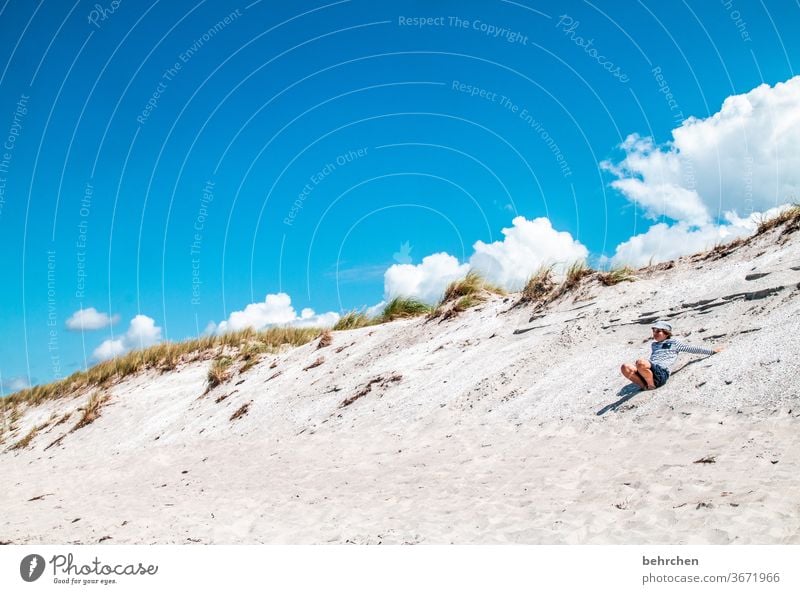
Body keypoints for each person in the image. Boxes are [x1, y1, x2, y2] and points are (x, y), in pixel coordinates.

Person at [620, 321, 723, 390]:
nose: (655, 333)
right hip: (651, 371)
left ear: (666, 333)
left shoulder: (674, 343)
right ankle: (644, 386)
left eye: (658, 331)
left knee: (641, 362)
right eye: (654, 331)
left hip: (661, 372)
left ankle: (651, 385)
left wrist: (712, 351)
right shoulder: (654, 345)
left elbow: (692, 349)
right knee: (625, 367)